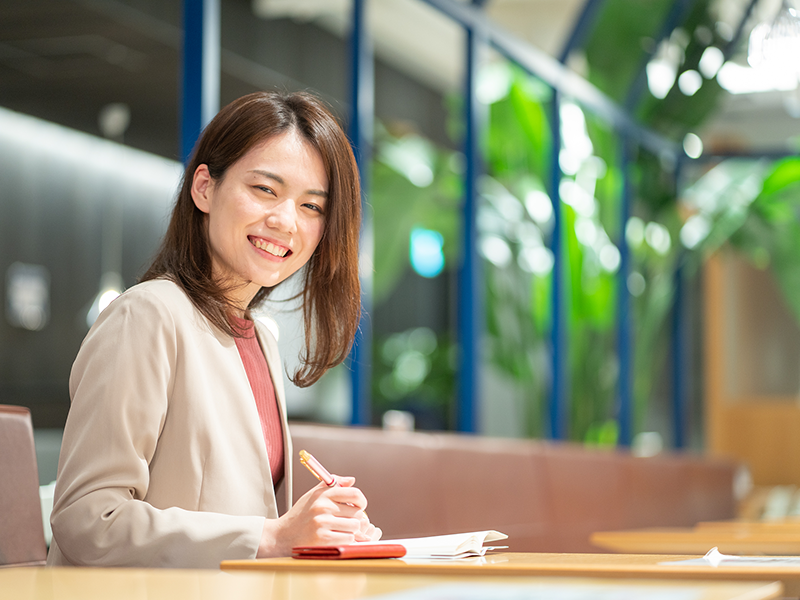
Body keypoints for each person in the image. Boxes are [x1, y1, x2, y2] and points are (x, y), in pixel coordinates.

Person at [47, 91, 381, 568]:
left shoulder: (260, 337)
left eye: (312, 206)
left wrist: (317, 531)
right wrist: (271, 537)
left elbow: (253, 523)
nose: (285, 220)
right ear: (204, 188)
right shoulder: (147, 315)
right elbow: (87, 520)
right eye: (266, 190)